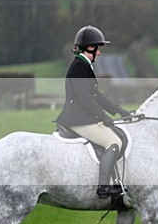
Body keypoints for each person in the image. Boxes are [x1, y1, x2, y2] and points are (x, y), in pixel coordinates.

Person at [55, 25, 131, 199]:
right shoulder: (79, 67)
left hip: (82, 117)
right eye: (98, 49)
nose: (99, 53)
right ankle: (103, 187)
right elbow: (85, 98)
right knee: (114, 142)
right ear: (89, 47)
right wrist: (103, 116)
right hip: (77, 119)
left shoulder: (84, 65)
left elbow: (96, 95)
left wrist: (118, 110)